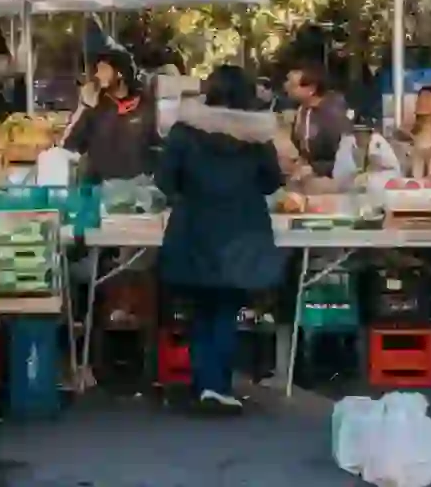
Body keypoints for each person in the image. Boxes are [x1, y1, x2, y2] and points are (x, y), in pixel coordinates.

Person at [157, 66, 282, 412]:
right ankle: (218, 385)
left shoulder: (184, 131)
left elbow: (164, 180)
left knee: (202, 310)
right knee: (226, 309)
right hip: (242, 231)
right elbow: (273, 181)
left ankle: (206, 385)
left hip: (194, 228)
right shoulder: (255, 136)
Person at [63, 50, 158, 183]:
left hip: (137, 191)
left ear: (120, 73)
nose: (97, 75)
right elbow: (69, 145)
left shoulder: (145, 105)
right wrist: (84, 106)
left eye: (103, 69)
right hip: (101, 190)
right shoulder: (95, 107)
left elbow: (157, 145)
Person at [284, 62, 351, 179]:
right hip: (308, 179)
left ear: (311, 89)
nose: (286, 87)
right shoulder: (302, 110)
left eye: (293, 85)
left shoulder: (333, 115)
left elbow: (345, 158)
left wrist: (316, 168)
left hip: (332, 182)